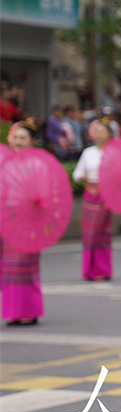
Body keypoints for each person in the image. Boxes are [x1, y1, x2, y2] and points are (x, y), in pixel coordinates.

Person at [1, 119, 43, 325]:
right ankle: (13, 311)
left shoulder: (37, 164)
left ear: (32, 141)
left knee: (25, 267)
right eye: (16, 137)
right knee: (9, 268)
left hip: (29, 220)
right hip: (9, 221)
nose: (18, 141)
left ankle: (29, 310)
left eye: (22, 138)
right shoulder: (6, 163)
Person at [72, 118, 115, 281]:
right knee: (89, 233)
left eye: (101, 131)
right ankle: (89, 270)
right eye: (96, 131)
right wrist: (82, 176)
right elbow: (76, 174)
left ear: (109, 134)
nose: (98, 134)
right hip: (90, 194)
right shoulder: (87, 153)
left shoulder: (113, 154)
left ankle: (103, 269)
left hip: (106, 195)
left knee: (102, 233)